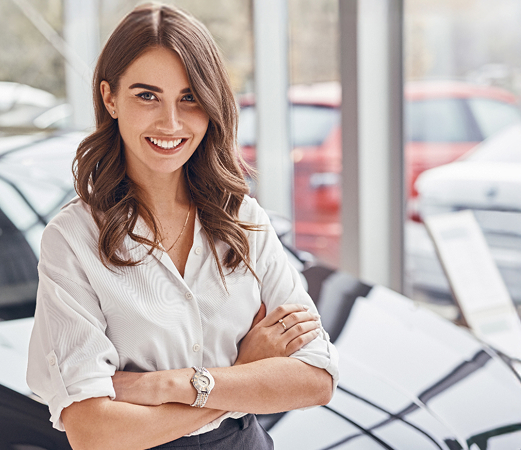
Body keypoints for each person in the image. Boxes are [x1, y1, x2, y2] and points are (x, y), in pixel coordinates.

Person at [24, 3, 339, 449]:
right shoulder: (73, 239)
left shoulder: (243, 219)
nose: (170, 123)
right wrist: (239, 375)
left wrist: (172, 385)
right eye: (147, 95)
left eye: (189, 97)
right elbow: (93, 432)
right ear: (110, 98)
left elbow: (316, 378)